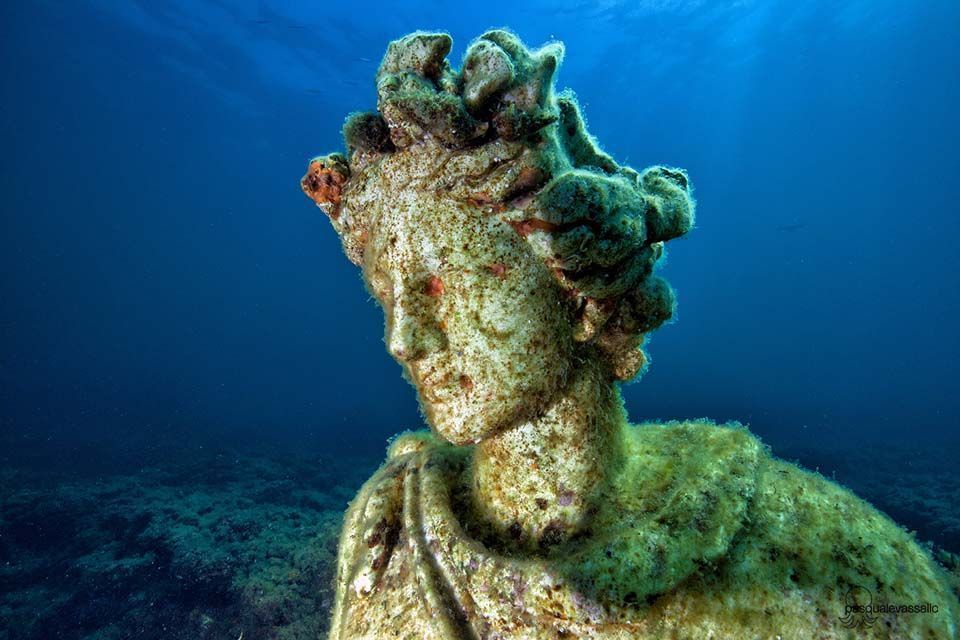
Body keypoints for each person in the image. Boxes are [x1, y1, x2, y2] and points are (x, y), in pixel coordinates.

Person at [301, 30, 959, 640]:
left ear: (580, 295)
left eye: (448, 285)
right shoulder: (386, 530)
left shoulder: (829, 562)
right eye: (387, 296)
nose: (401, 340)